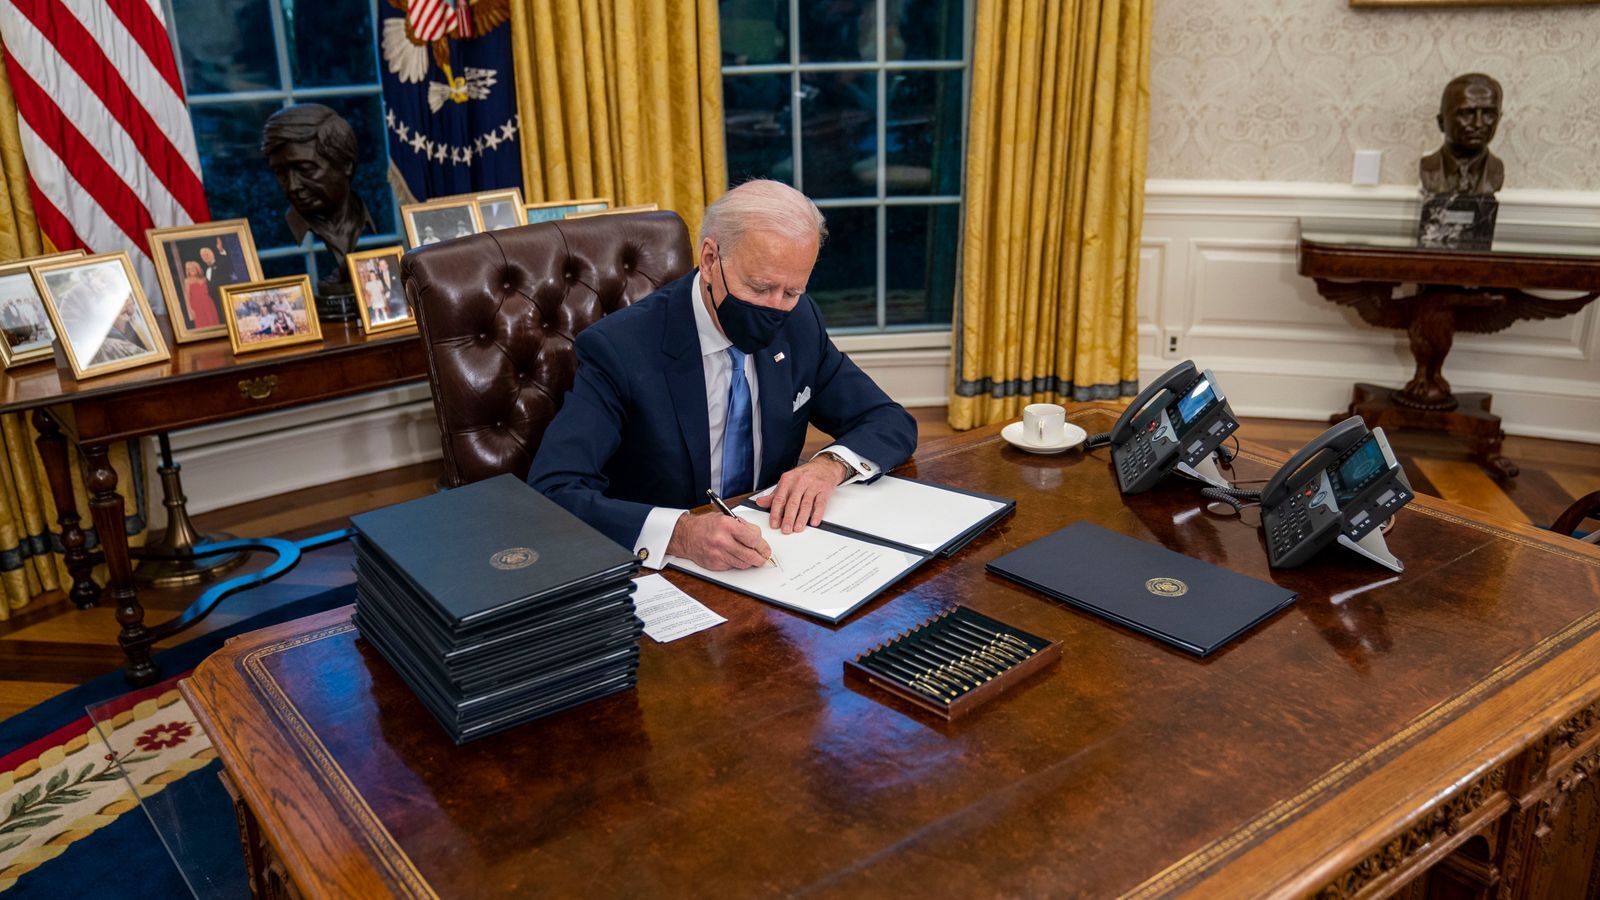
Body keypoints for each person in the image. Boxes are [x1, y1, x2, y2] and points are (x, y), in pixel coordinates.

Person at [528, 179, 918, 572]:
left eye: (791, 292)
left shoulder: (800, 323)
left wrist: (829, 465)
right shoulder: (619, 349)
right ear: (711, 260)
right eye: (760, 287)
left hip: (775, 553)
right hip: (667, 569)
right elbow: (553, 491)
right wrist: (680, 533)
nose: (776, 308)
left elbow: (889, 420)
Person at [1420, 73, 1504, 195]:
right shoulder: (1428, 167)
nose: (1478, 124)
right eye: (1466, 113)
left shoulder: (1496, 170)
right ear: (1441, 121)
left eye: (1489, 114)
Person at [183, 260, 220, 328]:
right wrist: (190, 310)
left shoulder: (204, 279)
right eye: (189, 269)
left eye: (193, 268)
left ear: (197, 269)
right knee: (202, 323)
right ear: (187, 271)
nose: (192, 270)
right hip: (196, 305)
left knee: (212, 321)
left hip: (208, 302)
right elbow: (187, 296)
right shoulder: (187, 281)